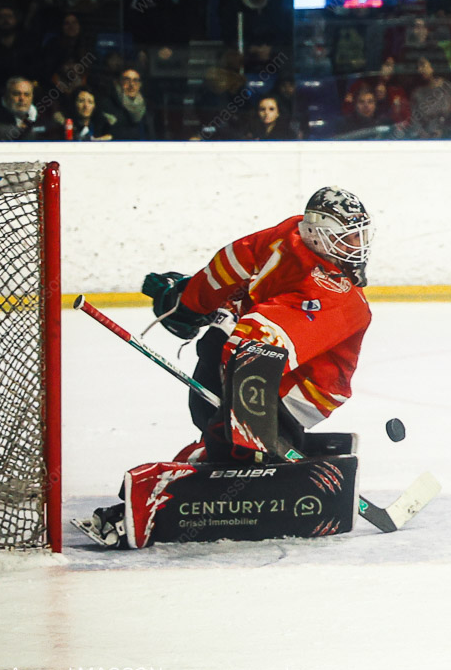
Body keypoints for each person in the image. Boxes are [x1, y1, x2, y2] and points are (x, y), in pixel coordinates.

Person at [81, 187, 374, 548]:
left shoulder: (336, 292)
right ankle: (231, 448)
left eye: (360, 236)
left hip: (304, 389)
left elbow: (261, 337)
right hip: (254, 365)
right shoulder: (287, 238)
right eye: (347, 237)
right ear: (314, 233)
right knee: (213, 383)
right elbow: (231, 266)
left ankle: (201, 471)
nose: (357, 246)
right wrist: (188, 302)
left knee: (227, 439)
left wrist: (243, 420)